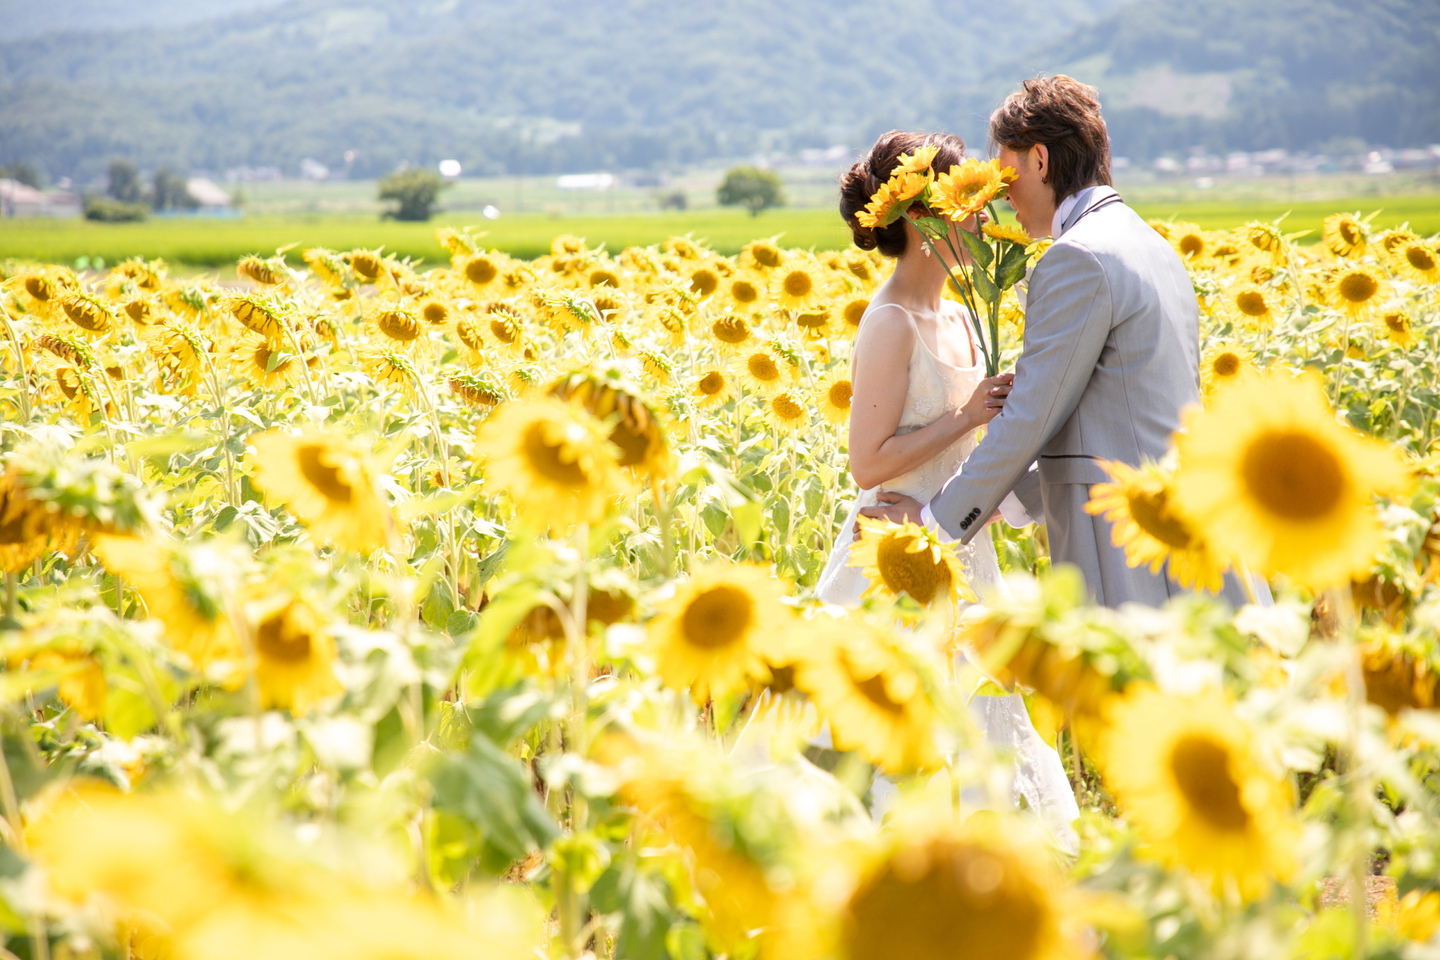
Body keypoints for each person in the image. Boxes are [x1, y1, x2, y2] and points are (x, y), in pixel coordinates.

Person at [861, 76, 1259, 609]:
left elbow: (1029, 418)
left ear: (1040, 161)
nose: (1000, 200)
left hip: (1138, 554)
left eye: (1005, 176)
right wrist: (1009, 502)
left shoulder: (1079, 258)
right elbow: (1104, 416)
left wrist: (931, 527)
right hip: (1192, 536)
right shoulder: (1151, 244)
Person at [816, 130, 1079, 842]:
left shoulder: (963, 314)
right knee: (901, 745)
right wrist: (966, 415)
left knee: (982, 726)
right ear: (925, 216)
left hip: (961, 549)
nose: (980, 216)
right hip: (895, 557)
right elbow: (868, 464)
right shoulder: (890, 323)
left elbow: (980, 447)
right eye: (965, 202)